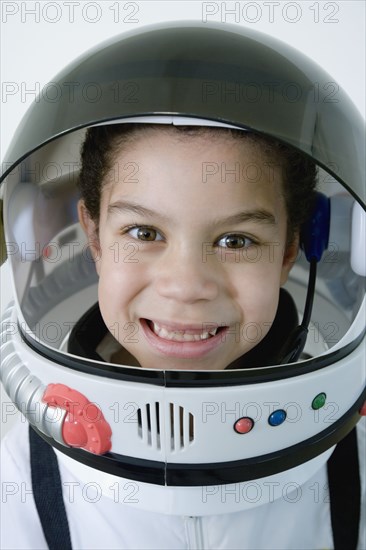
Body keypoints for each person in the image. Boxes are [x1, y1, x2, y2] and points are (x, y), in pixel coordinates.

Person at [0, 22, 365, 550]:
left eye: (236, 240)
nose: (187, 286)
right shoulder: (20, 484)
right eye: (144, 232)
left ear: (291, 250)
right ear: (94, 239)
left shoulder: (353, 466)